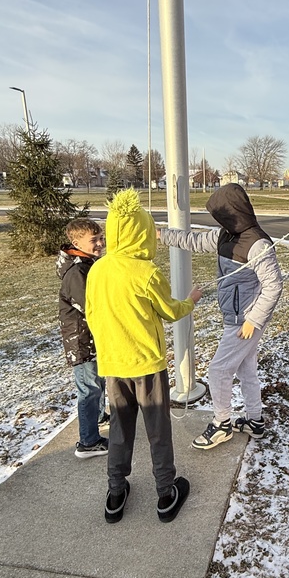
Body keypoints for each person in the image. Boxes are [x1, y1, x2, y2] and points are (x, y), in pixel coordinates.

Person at [85, 189, 202, 524]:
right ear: (141, 233)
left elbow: (91, 315)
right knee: (157, 430)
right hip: (147, 367)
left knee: (120, 429)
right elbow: (170, 311)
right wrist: (191, 299)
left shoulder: (97, 271)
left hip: (113, 365)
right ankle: (166, 493)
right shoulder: (146, 272)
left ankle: (115, 493)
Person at [158, 183, 283, 449]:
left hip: (245, 321)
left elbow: (274, 286)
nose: (220, 221)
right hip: (237, 318)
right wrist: (163, 236)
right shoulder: (225, 235)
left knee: (218, 371)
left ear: (234, 213)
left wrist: (253, 320)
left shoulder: (258, 244)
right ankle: (254, 421)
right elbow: (193, 240)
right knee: (246, 369)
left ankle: (221, 424)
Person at [57, 217, 108, 459]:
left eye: (101, 238)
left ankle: (98, 417)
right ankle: (88, 441)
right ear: (76, 242)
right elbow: (90, 306)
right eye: (94, 240)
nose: (100, 243)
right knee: (88, 388)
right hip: (82, 340)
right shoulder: (77, 271)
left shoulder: (87, 262)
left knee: (97, 381)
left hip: (91, 336)